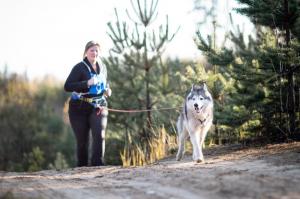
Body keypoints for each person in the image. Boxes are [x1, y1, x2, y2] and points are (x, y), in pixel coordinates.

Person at [64, 41, 111, 167]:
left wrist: (107, 90)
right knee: (82, 141)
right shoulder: (79, 67)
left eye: (96, 51)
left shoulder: (103, 67)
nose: (94, 53)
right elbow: (67, 86)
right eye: (92, 50)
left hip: (98, 106)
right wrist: (87, 83)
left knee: (100, 135)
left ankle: (98, 165)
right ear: (86, 52)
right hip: (78, 109)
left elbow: (106, 83)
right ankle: (82, 168)